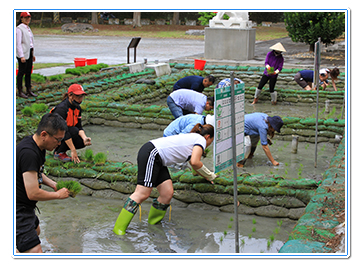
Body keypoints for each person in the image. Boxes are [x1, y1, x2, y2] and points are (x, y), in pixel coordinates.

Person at [113, 123, 216, 235]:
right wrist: (211, 175)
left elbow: (194, 164)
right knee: (142, 193)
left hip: (159, 159)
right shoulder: (200, 140)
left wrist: (205, 176)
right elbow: (195, 162)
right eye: (211, 141)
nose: (209, 144)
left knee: (167, 193)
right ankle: (119, 229)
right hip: (152, 154)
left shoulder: (194, 138)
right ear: (207, 137)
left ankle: (153, 224)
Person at [16, 113, 70, 253]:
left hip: (26, 207)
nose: (59, 144)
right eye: (58, 140)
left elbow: (36, 172)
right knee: (35, 252)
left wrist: (53, 184)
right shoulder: (29, 153)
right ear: (44, 134)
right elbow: (33, 193)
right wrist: (58, 195)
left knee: (36, 231)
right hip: (17, 209)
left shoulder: (38, 146)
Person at [50, 84, 91, 163]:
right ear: (70, 95)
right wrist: (73, 150)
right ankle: (58, 152)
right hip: (54, 134)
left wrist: (85, 138)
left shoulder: (77, 108)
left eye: (82, 96)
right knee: (73, 131)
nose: (80, 99)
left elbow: (79, 127)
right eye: (78, 96)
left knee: (81, 141)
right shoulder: (61, 109)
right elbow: (63, 131)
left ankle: (62, 151)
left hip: (66, 132)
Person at [16, 12, 37, 99]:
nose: (27, 19)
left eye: (28, 17)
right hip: (23, 53)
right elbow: (18, 44)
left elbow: (30, 43)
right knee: (21, 72)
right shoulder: (19, 29)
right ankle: (20, 91)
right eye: (25, 18)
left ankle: (28, 89)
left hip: (29, 52)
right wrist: (21, 56)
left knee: (28, 72)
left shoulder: (28, 28)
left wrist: (33, 54)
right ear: (21, 19)